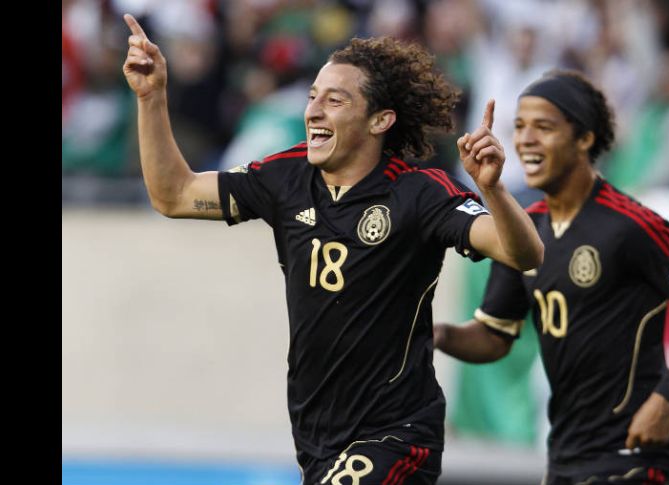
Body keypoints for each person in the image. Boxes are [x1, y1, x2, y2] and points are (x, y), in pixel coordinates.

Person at [121, 13, 543, 485]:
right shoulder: (285, 177)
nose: (314, 111)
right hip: (317, 436)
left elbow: (523, 253)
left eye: (335, 100)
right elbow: (174, 194)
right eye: (312, 97)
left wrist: (495, 191)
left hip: (395, 433)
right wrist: (152, 96)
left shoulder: (421, 193)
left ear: (380, 119)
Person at [434, 69, 669, 485]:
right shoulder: (523, 233)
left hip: (634, 452)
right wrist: (437, 334)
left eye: (543, 127)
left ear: (585, 138)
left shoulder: (634, 226)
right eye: (519, 127)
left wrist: (665, 399)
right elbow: (493, 337)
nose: (525, 139)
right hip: (566, 454)